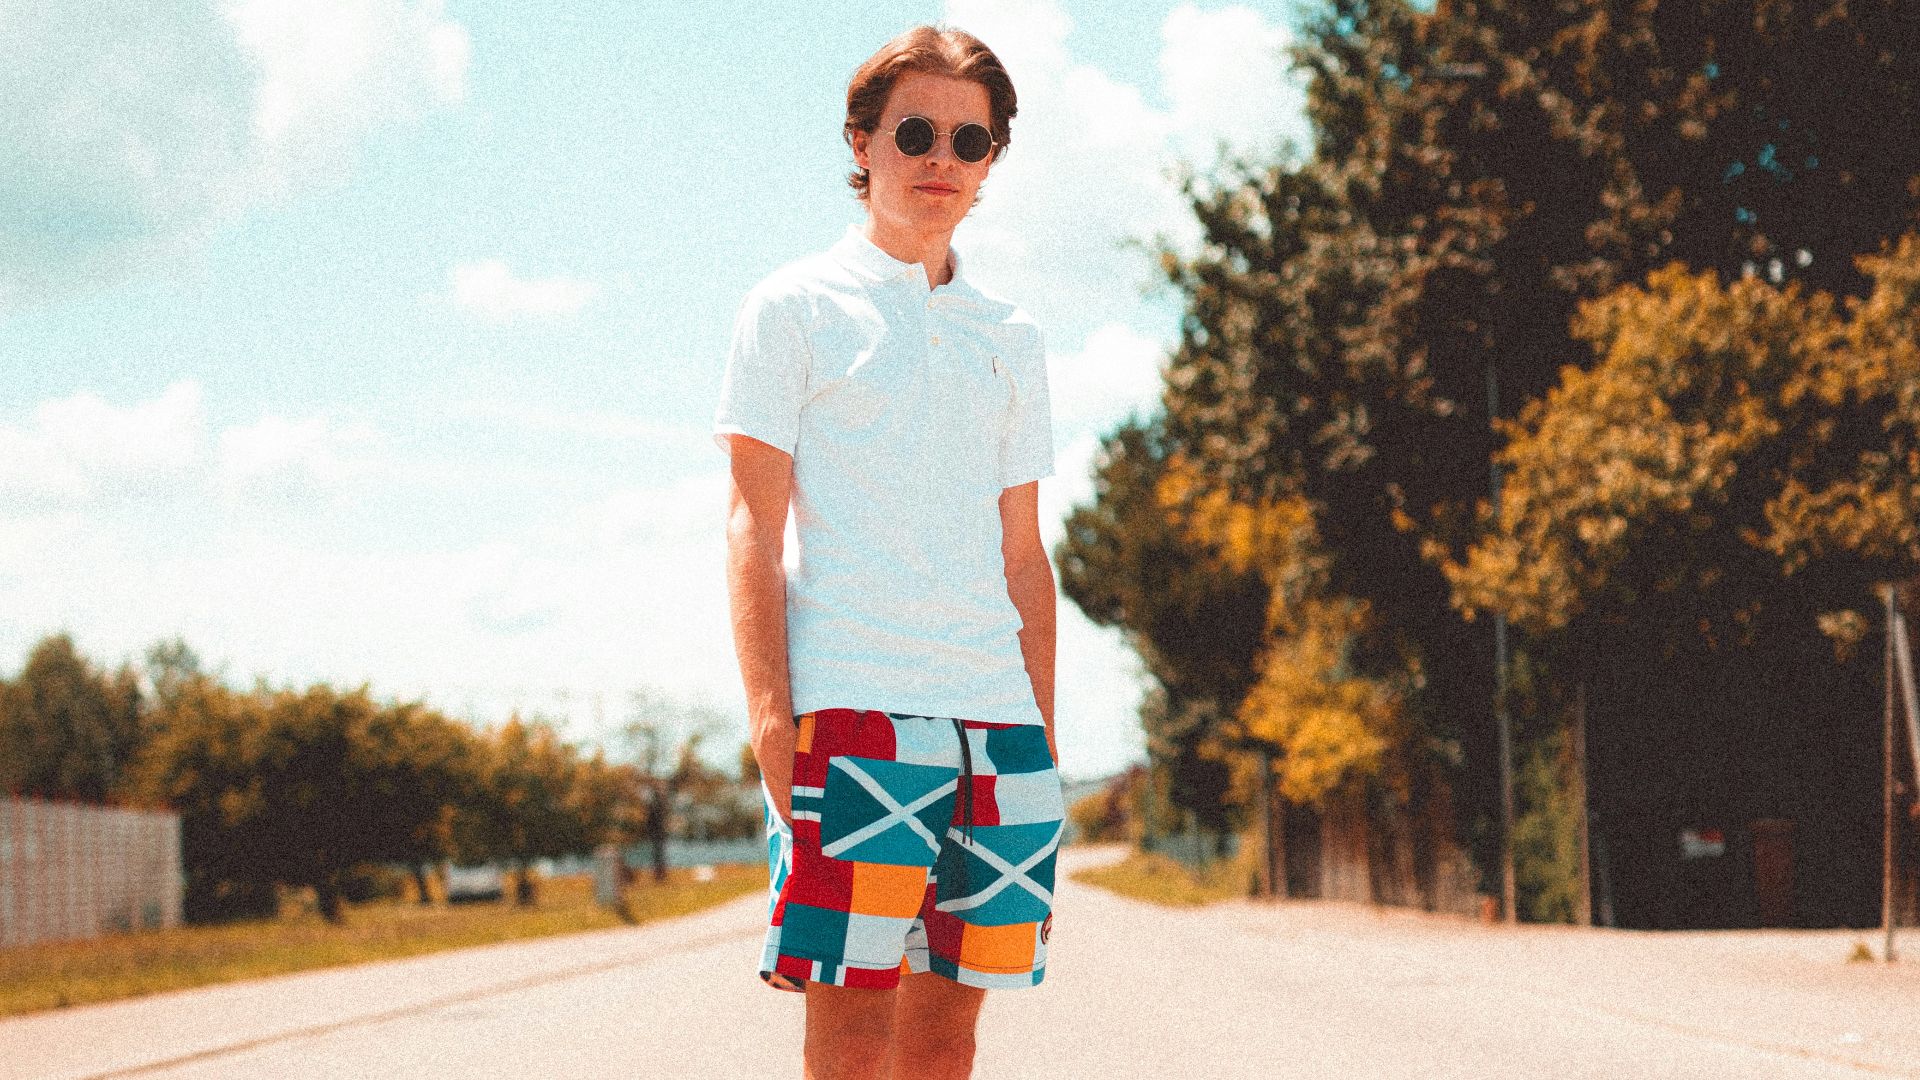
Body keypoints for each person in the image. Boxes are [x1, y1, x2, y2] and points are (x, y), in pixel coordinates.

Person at [713, 23, 1063, 1080]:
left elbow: (1023, 555)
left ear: (993, 161)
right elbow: (750, 527)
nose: (941, 159)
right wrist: (773, 720)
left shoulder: (1012, 335)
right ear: (862, 142)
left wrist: (1042, 734)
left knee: (950, 1034)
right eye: (915, 131)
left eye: (972, 139)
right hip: (855, 713)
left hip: (995, 730)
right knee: (855, 1035)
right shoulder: (794, 309)